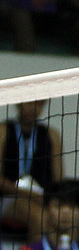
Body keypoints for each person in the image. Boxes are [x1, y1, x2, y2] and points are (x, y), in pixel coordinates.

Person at [0, 100, 63, 241]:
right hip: (8, 198)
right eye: (30, 103)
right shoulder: (3, 131)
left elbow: (59, 181)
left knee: (69, 216)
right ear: (19, 103)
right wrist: (29, 195)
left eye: (39, 104)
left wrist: (49, 199)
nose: (34, 108)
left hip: (42, 198)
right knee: (39, 217)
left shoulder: (51, 135)